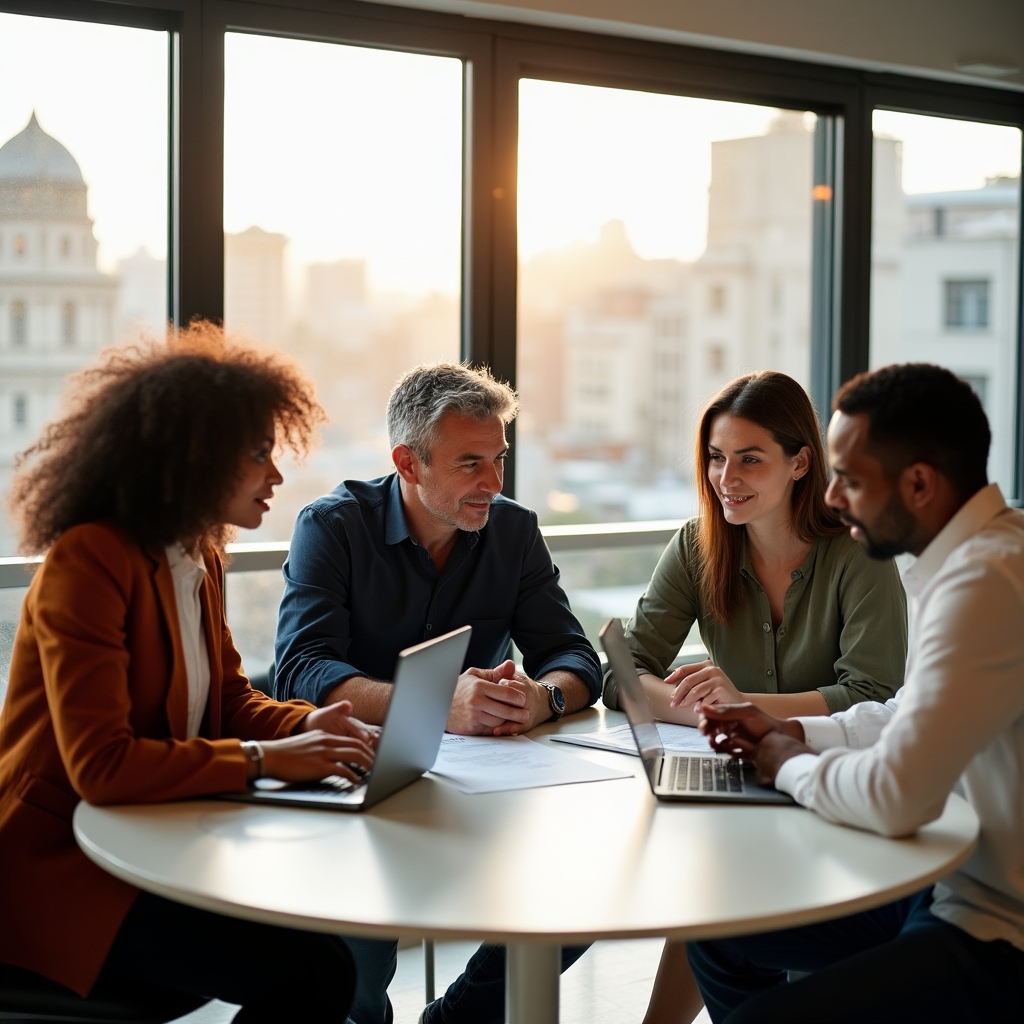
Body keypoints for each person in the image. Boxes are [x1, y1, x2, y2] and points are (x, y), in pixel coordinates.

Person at [0, 323, 379, 1023]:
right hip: (60, 871)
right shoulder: (91, 561)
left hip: (152, 842)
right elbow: (102, 768)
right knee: (313, 971)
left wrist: (313, 728)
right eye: (259, 454)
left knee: (320, 953)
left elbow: (228, 700)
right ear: (199, 456)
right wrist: (271, 758)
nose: (276, 475)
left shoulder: (197, 555)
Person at [688, 363, 1024, 1023]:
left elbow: (896, 797)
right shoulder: (974, 558)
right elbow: (908, 713)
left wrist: (786, 765)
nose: (833, 498)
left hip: (997, 922)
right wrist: (791, 732)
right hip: (953, 881)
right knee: (718, 932)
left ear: (919, 483)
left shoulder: (984, 583)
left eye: (849, 479)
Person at [274, 361, 601, 1024]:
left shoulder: (513, 532)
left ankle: (455, 1021)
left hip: (482, 785)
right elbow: (301, 669)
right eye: (470, 463)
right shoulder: (331, 527)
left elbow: (574, 658)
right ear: (408, 462)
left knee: (579, 894)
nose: (493, 483)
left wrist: (546, 699)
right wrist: (433, 707)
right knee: (355, 963)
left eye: (499, 460)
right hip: (360, 779)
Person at [603, 372, 907, 1024]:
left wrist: (750, 706)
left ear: (800, 462)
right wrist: (711, 713)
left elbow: (873, 693)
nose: (725, 477)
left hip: (832, 781)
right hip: (741, 770)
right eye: (715, 457)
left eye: (749, 458)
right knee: (699, 875)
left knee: (715, 889)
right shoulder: (696, 544)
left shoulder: (859, 556)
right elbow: (625, 674)